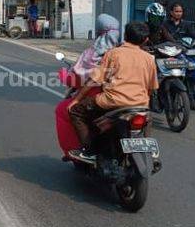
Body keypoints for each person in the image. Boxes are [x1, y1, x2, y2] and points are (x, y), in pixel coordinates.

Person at [67, 22, 159, 161]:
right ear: (145, 39)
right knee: (147, 118)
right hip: (140, 104)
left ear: (125, 36)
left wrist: (76, 99)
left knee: (76, 111)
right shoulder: (149, 59)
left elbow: (94, 80)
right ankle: (151, 154)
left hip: (112, 102)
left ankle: (89, 150)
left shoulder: (113, 53)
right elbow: (151, 88)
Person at [55, 14, 121, 157]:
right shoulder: (123, 52)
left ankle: (82, 150)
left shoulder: (92, 54)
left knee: (64, 110)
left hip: (99, 98)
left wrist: (64, 76)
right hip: (127, 98)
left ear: (99, 31)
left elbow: (79, 78)